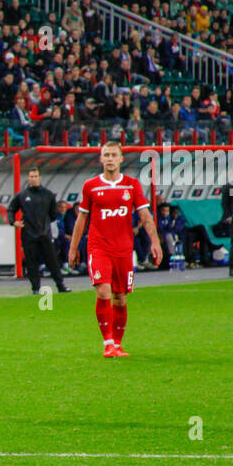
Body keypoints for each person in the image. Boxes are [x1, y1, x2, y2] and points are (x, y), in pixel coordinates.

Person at [68, 142, 162, 357]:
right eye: (106, 155)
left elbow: (145, 216)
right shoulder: (91, 186)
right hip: (98, 247)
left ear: (121, 159)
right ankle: (108, 343)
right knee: (103, 291)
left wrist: (155, 242)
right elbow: (82, 218)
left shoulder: (132, 185)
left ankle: (118, 344)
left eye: (113, 155)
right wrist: (73, 248)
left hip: (123, 249)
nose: (110, 158)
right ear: (101, 159)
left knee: (120, 297)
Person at [9, 167, 69, 294]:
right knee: (32, 263)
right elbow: (11, 209)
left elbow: (53, 214)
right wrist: (13, 222)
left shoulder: (48, 194)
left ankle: (61, 286)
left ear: (39, 178)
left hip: (45, 233)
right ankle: (35, 288)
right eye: (31, 176)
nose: (34, 178)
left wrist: (44, 223)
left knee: (52, 261)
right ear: (28, 178)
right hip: (28, 234)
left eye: (36, 176)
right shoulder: (22, 195)